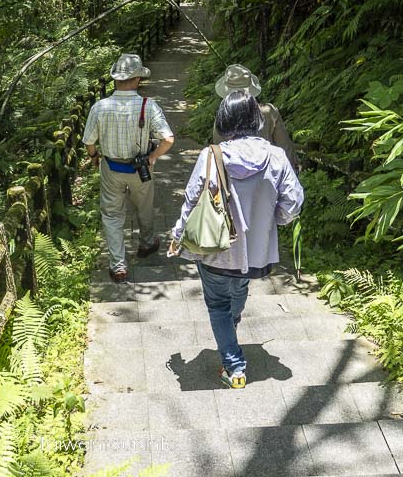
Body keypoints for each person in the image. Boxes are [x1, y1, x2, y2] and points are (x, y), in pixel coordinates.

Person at [170, 91, 304, 389]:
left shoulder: (212, 155)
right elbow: (293, 203)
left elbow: (193, 200)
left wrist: (178, 236)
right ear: (256, 121)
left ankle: (235, 366)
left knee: (218, 304)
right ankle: (229, 331)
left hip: (215, 249)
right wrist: (272, 221)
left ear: (224, 120)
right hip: (255, 253)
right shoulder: (276, 156)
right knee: (239, 287)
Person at [83, 53, 176, 283]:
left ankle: (119, 266)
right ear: (136, 80)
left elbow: (88, 141)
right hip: (140, 169)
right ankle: (146, 244)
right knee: (144, 207)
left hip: (111, 168)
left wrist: (94, 156)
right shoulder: (148, 106)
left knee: (113, 215)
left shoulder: (100, 107)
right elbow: (168, 139)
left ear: (116, 79)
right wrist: (152, 157)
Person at [211, 64, 299, 172]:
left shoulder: (223, 115)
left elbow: (219, 148)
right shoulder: (268, 111)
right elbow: (285, 146)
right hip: (267, 173)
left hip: (234, 175)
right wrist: (291, 172)